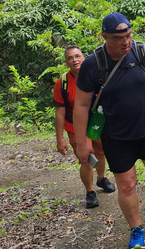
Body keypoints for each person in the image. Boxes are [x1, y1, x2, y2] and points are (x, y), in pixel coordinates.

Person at [73, 13, 145, 249]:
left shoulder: (142, 52)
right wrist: (83, 143)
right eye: (118, 38)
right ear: (104, 37)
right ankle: (136, 229)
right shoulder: (93, 64)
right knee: (127, 185)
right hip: (115, 136)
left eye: (128, 35)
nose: (125, 42)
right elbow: (80, 105)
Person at [53, 44, 116, 209]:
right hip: (75, 127)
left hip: (97, 123)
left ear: (83, 58)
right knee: (86, 160)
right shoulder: (62, 83)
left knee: (100, 153)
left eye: (77, 56)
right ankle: (90, 192)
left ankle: (101, 178)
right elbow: (60, 112)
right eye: (70, 58)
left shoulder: (96, 76)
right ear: (66, 62)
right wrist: (60, 139)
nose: (74, 60)